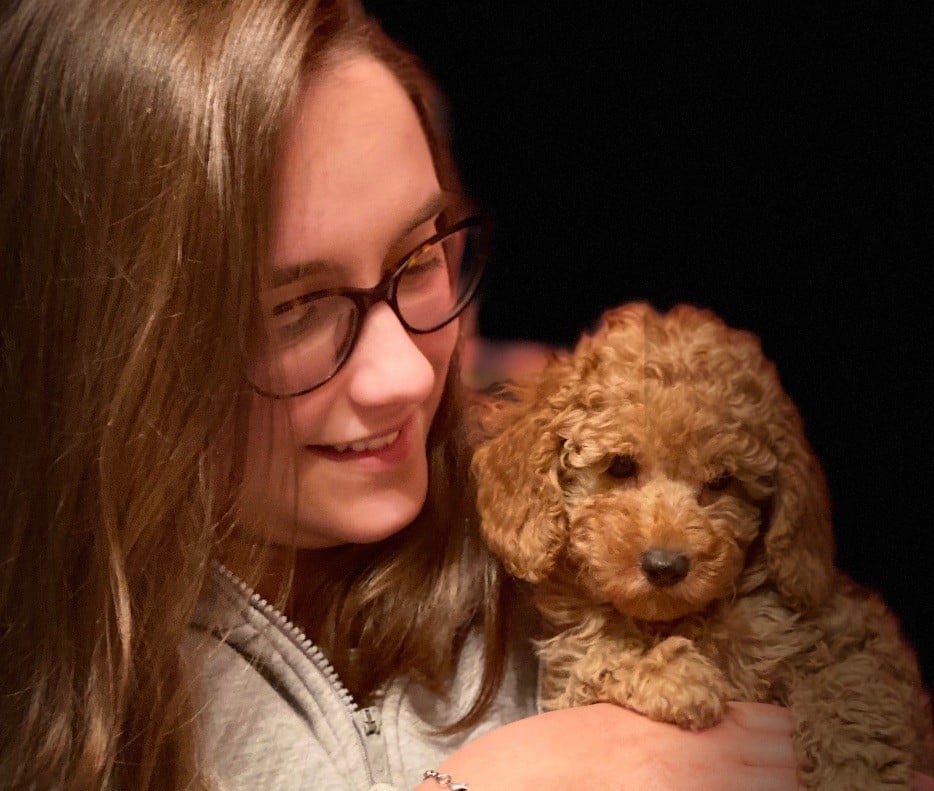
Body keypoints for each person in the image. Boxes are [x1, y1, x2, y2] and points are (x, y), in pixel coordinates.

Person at [1, 1, 931, 789]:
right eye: (295, 308)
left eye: (421, 255)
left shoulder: (557, 538)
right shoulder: (57, 663)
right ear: (111, 342)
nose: (410, 372)